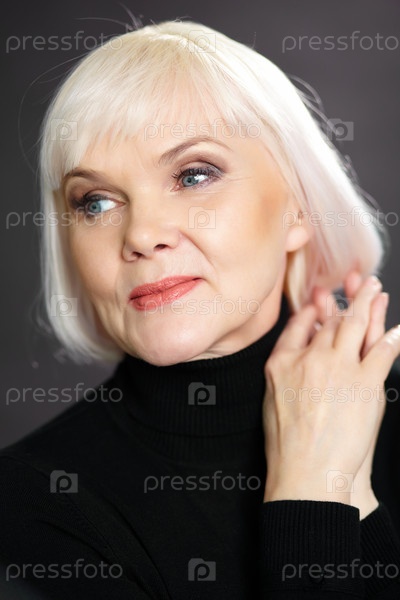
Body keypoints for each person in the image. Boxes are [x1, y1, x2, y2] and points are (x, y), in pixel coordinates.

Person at [1, 19, 400, 599]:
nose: (142, 235)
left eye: (192, 175)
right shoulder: (31, 503)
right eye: (97, 202)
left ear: (299, 207)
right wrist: (315, 492)